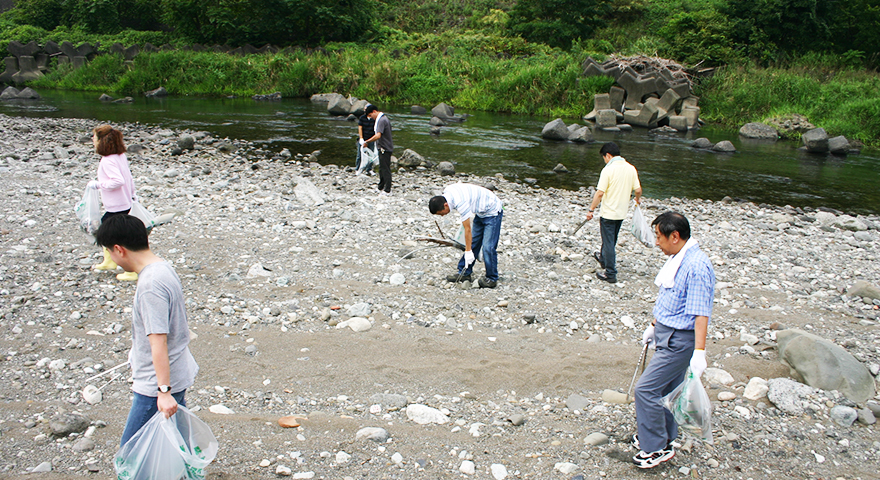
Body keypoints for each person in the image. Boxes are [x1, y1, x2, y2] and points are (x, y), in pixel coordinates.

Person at [95, 214, 199, 447]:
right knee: (176, 446)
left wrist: (163, 391)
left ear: (119, 249)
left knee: (131, 452)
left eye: (110, 252)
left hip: (157, 384)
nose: (112, 259)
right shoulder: (163, 267)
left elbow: (158, 341)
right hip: (176, 372)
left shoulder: (150, 286)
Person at [632, 211, 715, 469]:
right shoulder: (678, 258)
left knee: (645, 390)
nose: (656, 242)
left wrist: (699, 352)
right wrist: (653, 326)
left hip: (680, 341)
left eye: (659, 237)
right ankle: (666, 437)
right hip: (667, 334)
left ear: (675, 236)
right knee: (667, 391)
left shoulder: (696, 266)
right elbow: (670, 300)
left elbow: (701, 313)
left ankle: (656, 447)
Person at [584, 142, 642, 283]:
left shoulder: (608, 170)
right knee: (611, 239)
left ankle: (610, 273)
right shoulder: (631, 168)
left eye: (604, 158)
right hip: (622, 212)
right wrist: (637, 200)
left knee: (609, 242)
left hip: (609, 213)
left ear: (608, 155)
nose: (604, 161)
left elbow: (599, 193)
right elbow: (638, 190)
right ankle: (603, 258)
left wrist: (591, 210)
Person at [87, 124, 139, 281]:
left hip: (117, 204)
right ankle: (109, 261)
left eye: (94, 137)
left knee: (114, 235)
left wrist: (97, 185)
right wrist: (132, 195)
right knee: (108, 231)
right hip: (124, 202)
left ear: (102, 141)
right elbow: (128, 178)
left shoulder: (107, 160)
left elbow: (118, 180)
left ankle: (131, 270)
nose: (92, 140)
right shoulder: (120, 156)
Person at [429, 183, 503, 288]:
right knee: (473, 243)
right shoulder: (448, 192)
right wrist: (469, 249)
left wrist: (468, 252)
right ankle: (465, 273)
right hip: (480, 212)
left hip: (493, 211)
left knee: (488, 247)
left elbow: (467, 229)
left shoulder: (460, 202)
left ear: (445, 205)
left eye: (441, 213)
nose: (442, 215)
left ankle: (492, 278)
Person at [362, 104, 393, 195]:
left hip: (385, 148)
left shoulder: (382, 120)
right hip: (382, 147)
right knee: (381, 168)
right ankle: (380, 187)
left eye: (371, 116)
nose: (371, 118)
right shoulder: (382, 119)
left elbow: (378, 135)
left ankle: (387, 189)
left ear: (374, 111)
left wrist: (367, 141)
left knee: (385, 169)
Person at [355, 104, 376, 175]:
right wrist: (361, 138)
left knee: (371, 155)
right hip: (363, 139)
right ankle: (357, 169)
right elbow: (360, 128)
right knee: (359, 155)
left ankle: (369, 169)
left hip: (371, 139)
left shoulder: (374, 118)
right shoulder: (362, 118)